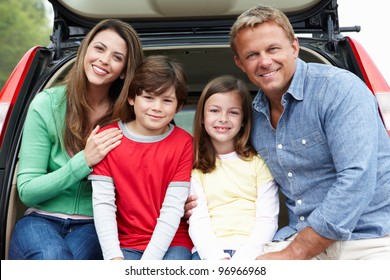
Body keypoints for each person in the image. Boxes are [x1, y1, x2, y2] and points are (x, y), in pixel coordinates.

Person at [229, 5, 390, 260]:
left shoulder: (339, 89)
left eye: (273, 49)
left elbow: (357, 178)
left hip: (368, 239)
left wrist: (295, 253)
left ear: (294, 47)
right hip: (297, 236)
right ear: (240, 63)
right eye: (252, 55)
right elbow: (230, 169)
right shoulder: (252, 119)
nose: (265, 61)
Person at [8, 19, 145, 260]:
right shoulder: (47, 104)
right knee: (53, 256)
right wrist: (84, 161)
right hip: (39, 220)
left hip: (95, 226)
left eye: (116, 57)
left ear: (124, 70)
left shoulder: (130, 117)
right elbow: (27, 191)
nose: (103, 60)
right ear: (85, 50)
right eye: (99, 48)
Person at [89, 55, 193, 260]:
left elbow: (173, 209)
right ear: (131, 98)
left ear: (178, 106)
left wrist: (147, 265)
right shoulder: (109, 138)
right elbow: (103, 205)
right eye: (148, 97)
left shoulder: (183, 143)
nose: (157, 107)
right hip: (124, 243)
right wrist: (113, 257)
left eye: (167, 100)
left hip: (173, 241)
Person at [189, 75, 279, 260]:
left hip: (252, 252)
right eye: (214, 110)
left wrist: (242, 260)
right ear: (202, 118)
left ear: (244, 120)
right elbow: (198, 219)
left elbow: (267, 219)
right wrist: (216, 258)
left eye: (233, 112)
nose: (223, 119)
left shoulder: (259, 164)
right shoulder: (195, 167)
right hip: (207, 253)